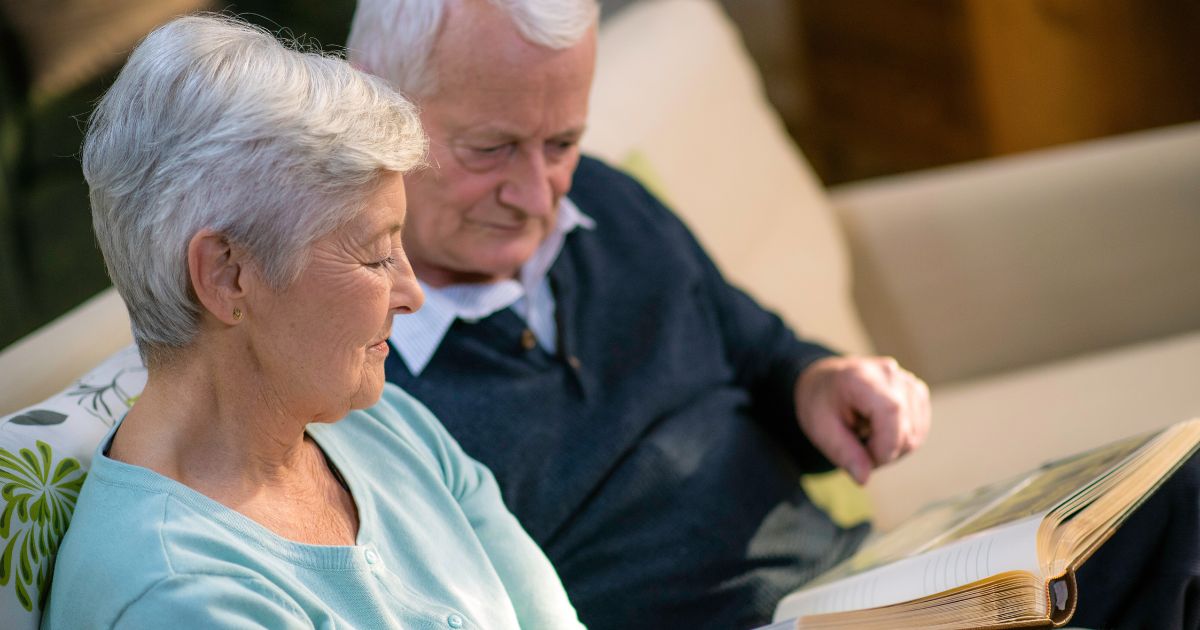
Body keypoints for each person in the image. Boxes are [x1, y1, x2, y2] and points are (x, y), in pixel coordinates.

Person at [346, 1, 931, 627]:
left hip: (855, 582)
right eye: (492, 148)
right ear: (372, 106)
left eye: (563, 143)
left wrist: (821, 384)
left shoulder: (606, 199)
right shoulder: (346, 352)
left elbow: (763, 355)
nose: (538, 196)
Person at [43, 14, 584, 629]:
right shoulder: (177, 599)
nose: (412, 295)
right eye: (377, 253)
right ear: (228, 275)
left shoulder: (383, 424)